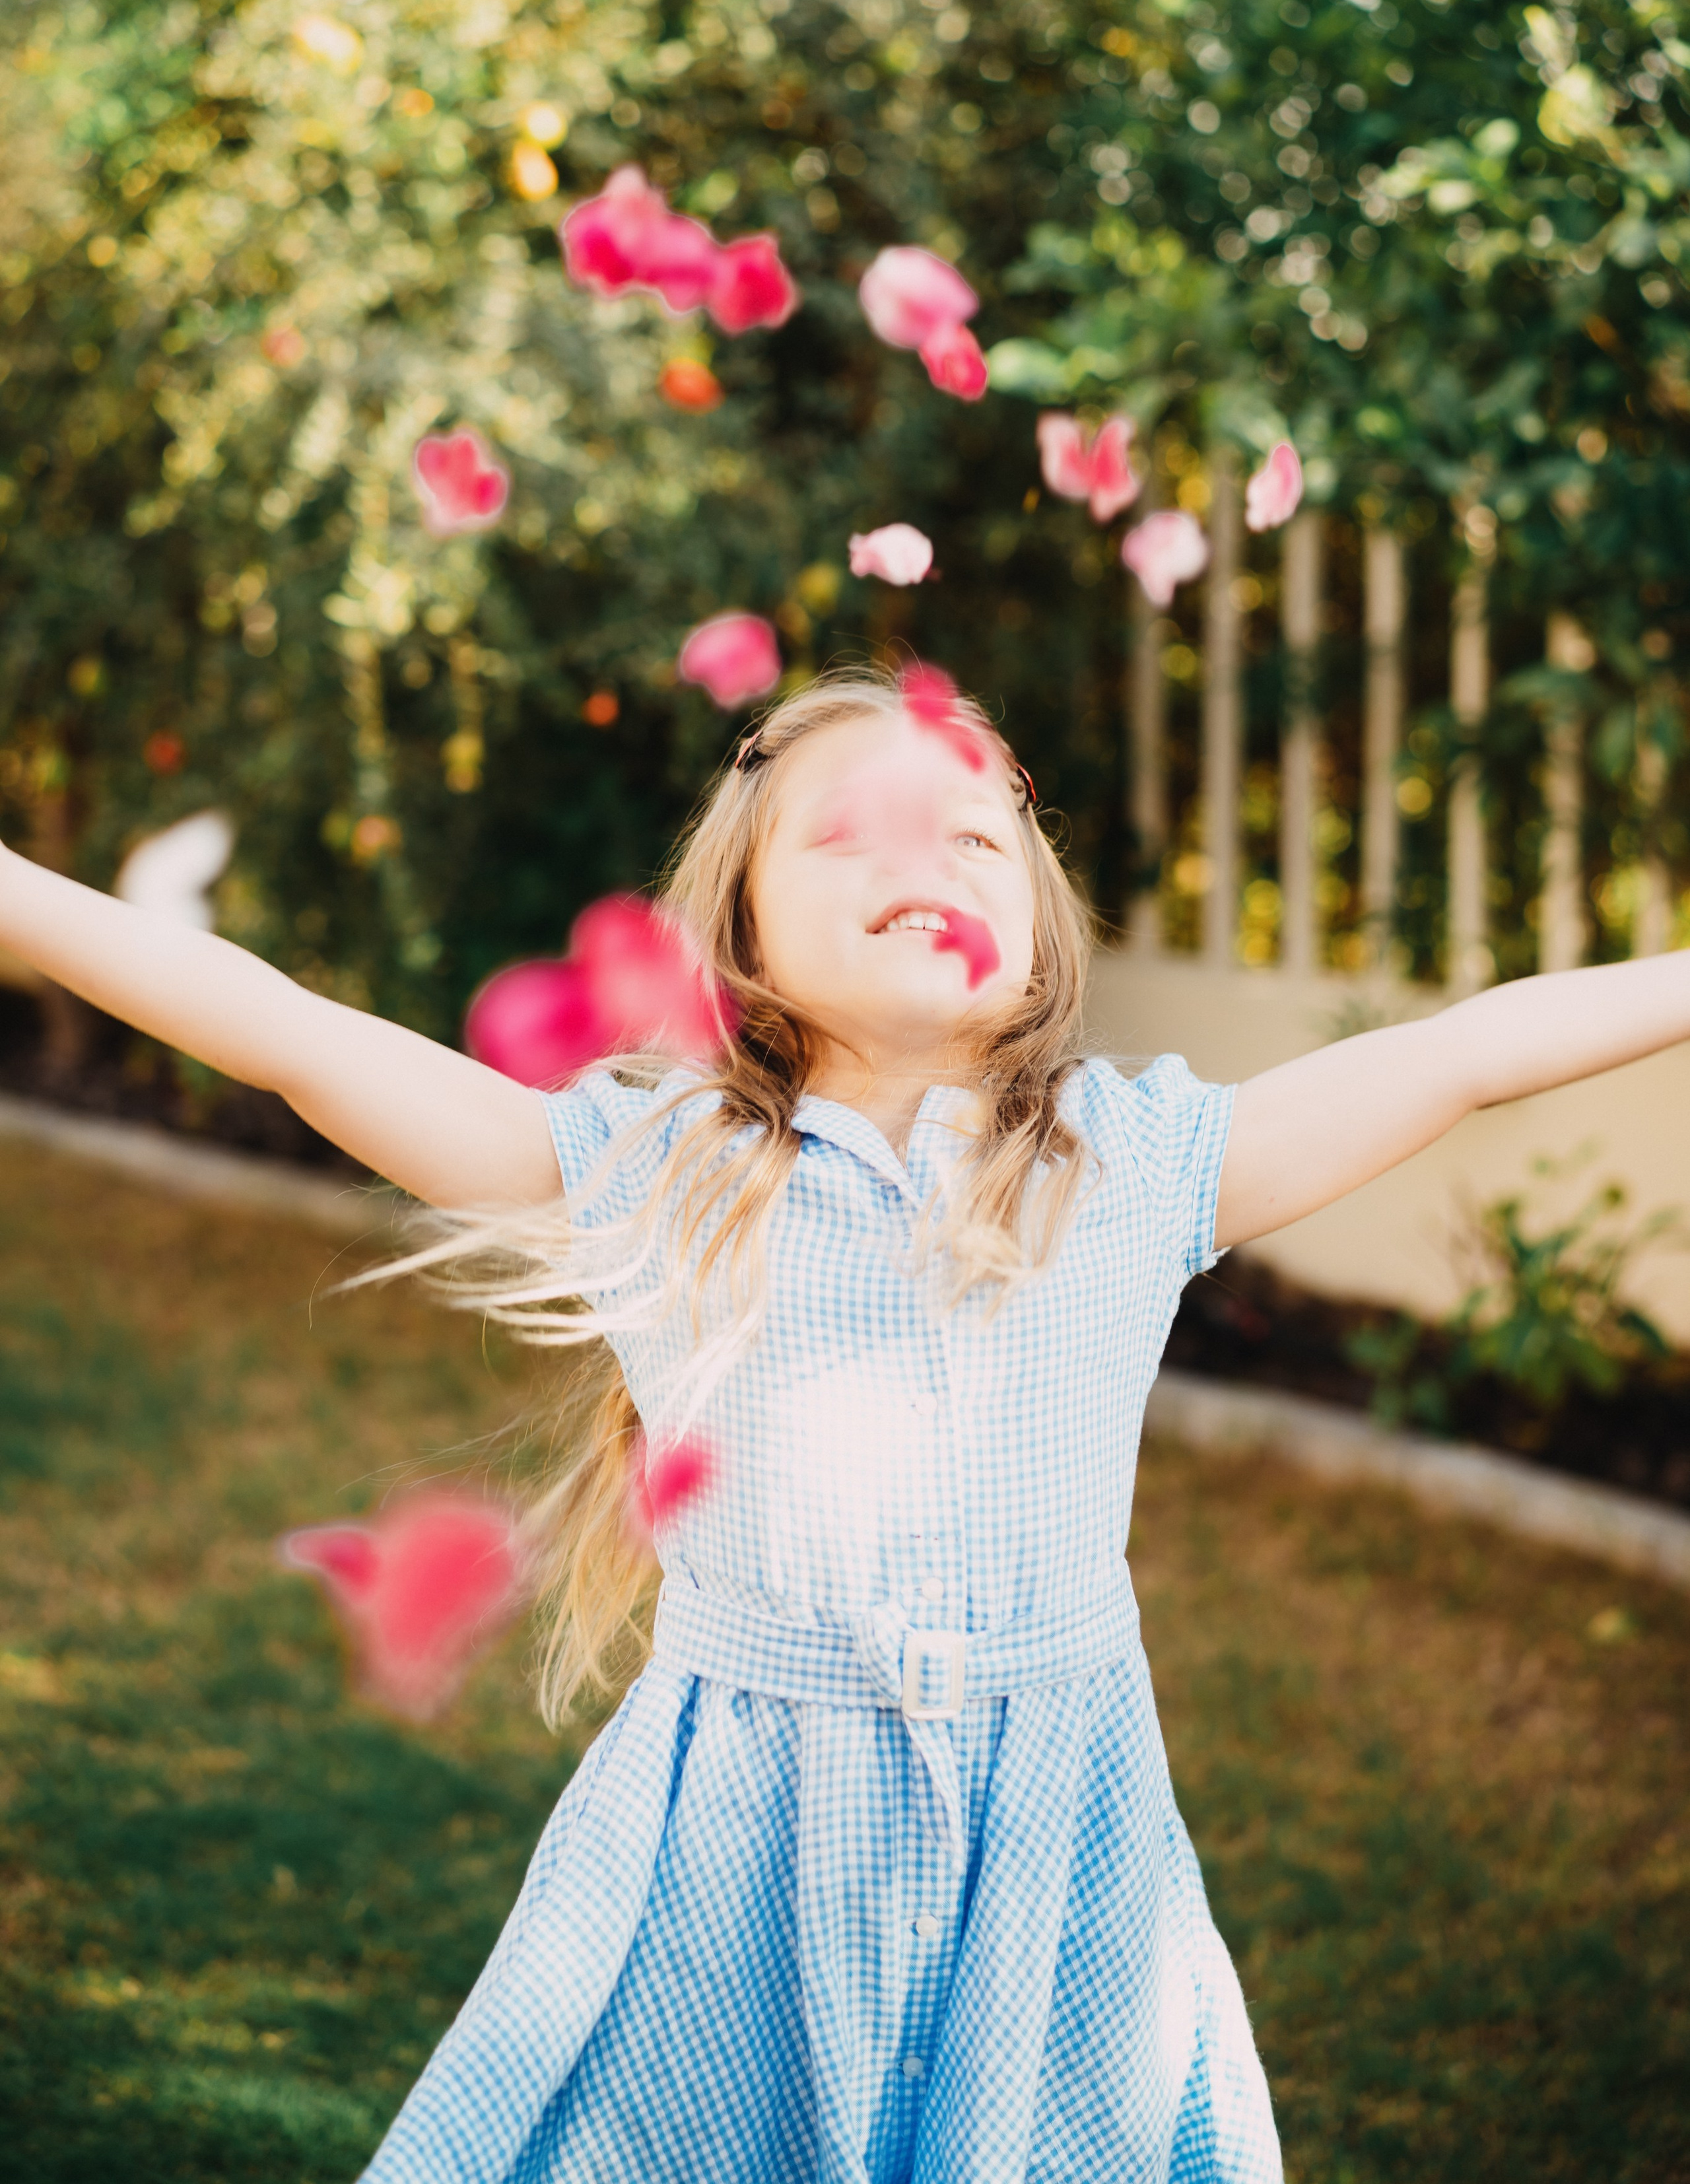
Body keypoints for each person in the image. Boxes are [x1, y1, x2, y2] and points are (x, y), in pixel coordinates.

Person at [4, 665, 1687, 2184]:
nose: (928, 861)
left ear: (1030, 919)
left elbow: (1466, 1052)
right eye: (856, 834)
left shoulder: (1142, 1162)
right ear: (734, 928)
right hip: (739, 1841)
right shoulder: (648, 1172)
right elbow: (294, 1038)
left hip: (1055, 1829)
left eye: (972, 834)